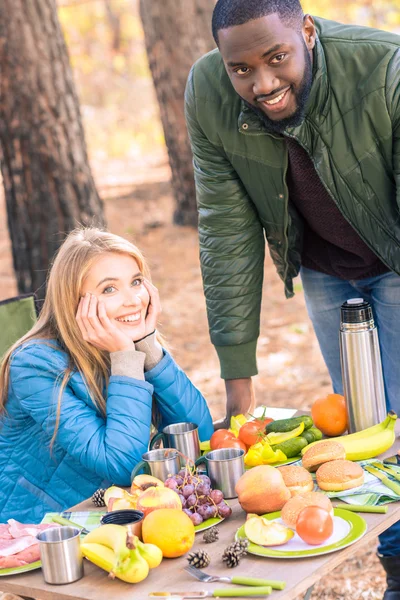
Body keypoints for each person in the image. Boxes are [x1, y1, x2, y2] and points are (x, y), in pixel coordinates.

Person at [184, 0, 400, 596]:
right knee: (360, 436)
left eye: (277, 58)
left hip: (396, 258)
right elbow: (226, 232)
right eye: (242, 69)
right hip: (326, 269)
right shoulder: (208, 91)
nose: (263, 84)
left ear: (306, 30)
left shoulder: (384, 68)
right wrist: (239, 395)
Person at [0, 228, 213, 523]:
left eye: (136, 282)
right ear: (74, 302)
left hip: (107, 517)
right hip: (39, 529)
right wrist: (126, 359)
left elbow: (200, 436)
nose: (133, 301)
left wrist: (149, 349)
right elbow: (122, 464)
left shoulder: (125, 343)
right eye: (109, 289)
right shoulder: (34, 365)